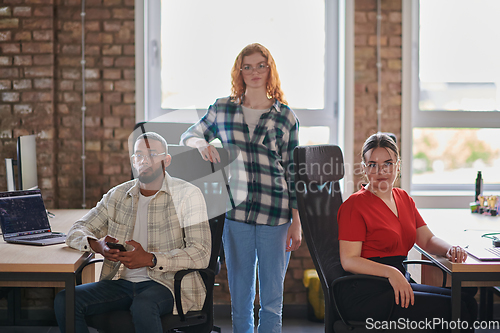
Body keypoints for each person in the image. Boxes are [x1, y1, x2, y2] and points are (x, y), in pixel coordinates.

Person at [180, 43, 301, 333]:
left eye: (261, 65)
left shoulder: (286, 116)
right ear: (239, 71)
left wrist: (297, 222)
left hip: (277, 215)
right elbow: (190, 134)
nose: (254, 72)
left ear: (269, 69)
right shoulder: (223, 109)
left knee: (272, 300)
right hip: (237, 214)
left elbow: (294, 173)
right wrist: (201, 143)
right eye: (247, 66)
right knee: (241, 298)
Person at [54, 132, 211, 333]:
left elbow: (201, 253)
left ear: (167, 160)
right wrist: (97, 245)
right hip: (121, 283)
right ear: (133, 162)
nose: (144, 161)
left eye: (152, 154)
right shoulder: (117, 195)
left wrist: (151, 259)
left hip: (167, 284)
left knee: (143, 305)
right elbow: (76, 230)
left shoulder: (188, 195)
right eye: (138, 156)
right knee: (65, 300)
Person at [336, 132, 477, 332]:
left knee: (467, 301)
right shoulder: (354, 205)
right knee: (458, 309)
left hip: (396, 282)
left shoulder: (403, 198)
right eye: (373, 164)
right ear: (364, 168)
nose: (381, 170)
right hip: (367, 292)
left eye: (388, 163)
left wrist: (450, 249)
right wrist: (391, 272)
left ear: (398, 166)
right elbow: (348, 260)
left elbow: (427, 239)